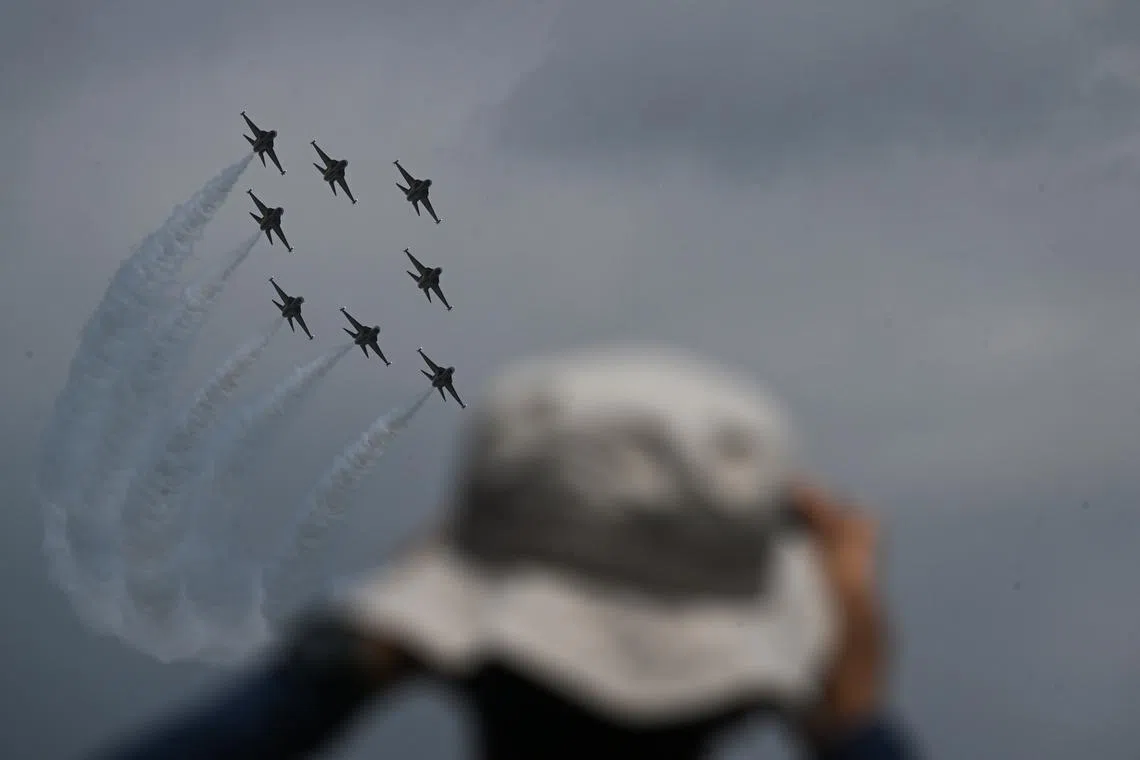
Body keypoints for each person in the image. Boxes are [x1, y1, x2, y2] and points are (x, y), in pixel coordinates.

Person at [94, 346, 919, 759]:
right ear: (744, 696)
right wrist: (851, 707)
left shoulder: (405, 624)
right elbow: (845, 708)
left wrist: (347, 654)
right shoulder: (823, 675)